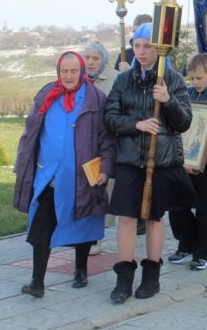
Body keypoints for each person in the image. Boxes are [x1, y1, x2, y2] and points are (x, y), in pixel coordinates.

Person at [104, 22, 197, 304]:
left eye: (147, 46)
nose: (141, 52)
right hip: (131, 160)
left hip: (162, 160)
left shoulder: (174, 79)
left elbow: (184, 122)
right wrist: (138, 124)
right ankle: (124, 278)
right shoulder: (123, 81)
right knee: (127, 218)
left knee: (155, 219)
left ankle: (152, 276)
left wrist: (167, 100)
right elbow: (110, 118)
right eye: (137, 46)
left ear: (159, 48)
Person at [13, 51, 112, 298]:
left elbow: (106, 137)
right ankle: (37, 281)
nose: (68, 76)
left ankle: (80, 269)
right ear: (58, 72)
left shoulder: (95, 98)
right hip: (49, 175)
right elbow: (30, 132)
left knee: (83, 220)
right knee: (41, 226)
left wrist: (106, 168)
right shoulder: (46, 95)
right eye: (64, 71)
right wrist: (23, 162)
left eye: (73, 71)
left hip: (81, 175)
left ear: (81, 72)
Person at [168, 54, 207, 271]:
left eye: (199, 78)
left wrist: (200, 160)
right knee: (178, 205)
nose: (195, 82)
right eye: (192, 78)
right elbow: (180, 125)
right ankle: (186, 244)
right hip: (185, 160)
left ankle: (203, 251)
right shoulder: (188, 94)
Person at [84, 40, 120, 255]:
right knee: (85, 189)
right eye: (87, 58)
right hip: (83, 143)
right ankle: (85, 232)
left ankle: (97, 236)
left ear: (103, 60)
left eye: (95, 58)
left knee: (103, 189)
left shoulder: (115, 79)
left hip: (106, 142)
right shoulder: (79, 79)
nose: (90, 62)